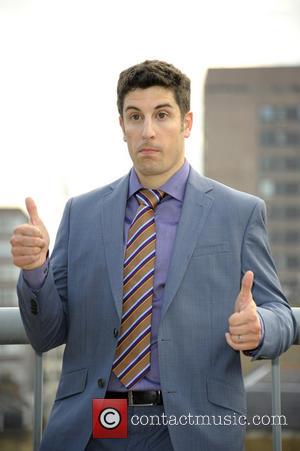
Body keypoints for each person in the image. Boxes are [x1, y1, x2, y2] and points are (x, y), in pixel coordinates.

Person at [11, 60, 296, 451]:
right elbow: (46, 334)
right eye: (135, 116)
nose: (148, 131)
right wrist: (35, 271)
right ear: (122, 126)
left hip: (190, 428)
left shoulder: (239, 212)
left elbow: (281, 312)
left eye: (162, 115)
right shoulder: (81, 213)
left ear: (187, 122)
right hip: (93, 427)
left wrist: (260, 327)